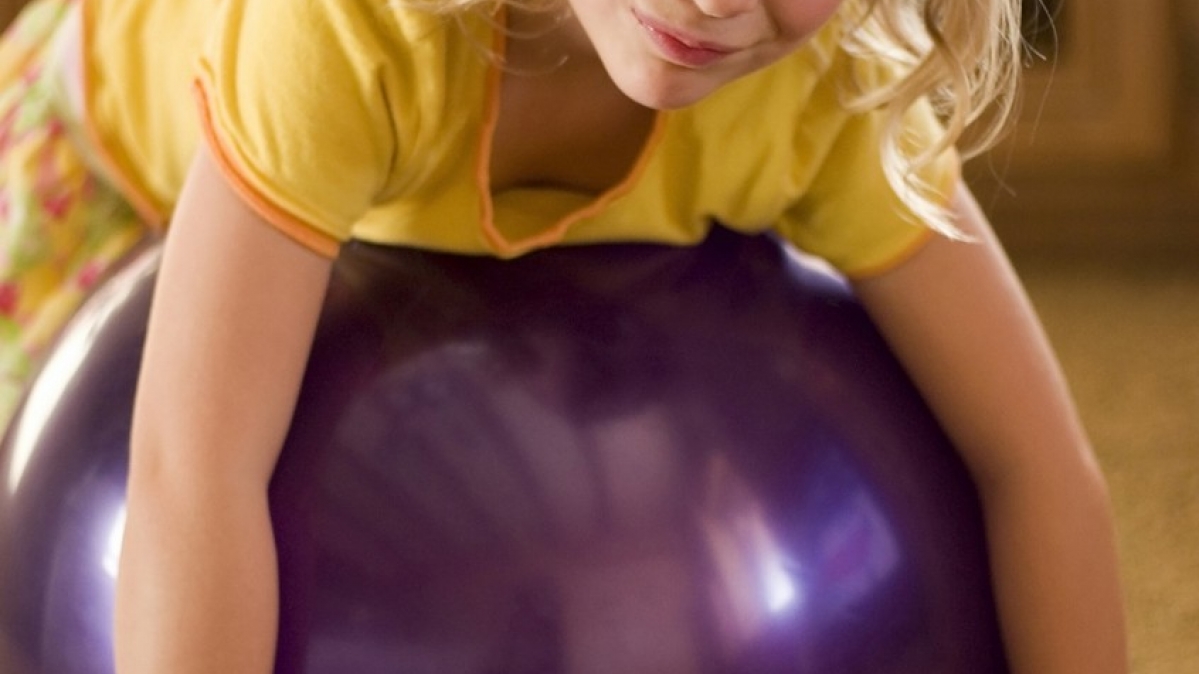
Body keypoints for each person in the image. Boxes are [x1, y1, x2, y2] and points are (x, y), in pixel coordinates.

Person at [0, 0, 1127, 671]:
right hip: (94, 149)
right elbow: (192, 471)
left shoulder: (831, 83)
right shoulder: (348, 30)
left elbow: (1035, 462)